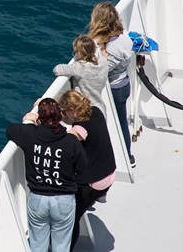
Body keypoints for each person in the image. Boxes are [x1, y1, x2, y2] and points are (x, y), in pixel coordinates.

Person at [6, 98, 88, 252]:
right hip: (64, 200)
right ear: (60, 116)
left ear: (40, 118)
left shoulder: (29, 135)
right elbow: (82, 169)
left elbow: (10, 130)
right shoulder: (71, 141)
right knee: (61, 247)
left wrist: (30, 120)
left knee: (37, 246)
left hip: (38, 200)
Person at [57, 90, 116, 252]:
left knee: (71, 219)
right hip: (109, 172)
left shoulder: (80, 129)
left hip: (95, 181)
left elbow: (65, 141)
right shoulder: (96, 111)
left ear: (72, 111)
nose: (62, 116)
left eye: (63, 112)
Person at [88, 1, 135, 168]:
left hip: (114, 90)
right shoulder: (124, 38)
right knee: (122, 123)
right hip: (124, 84)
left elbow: (103, 70)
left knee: (112, 124)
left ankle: (120, 159)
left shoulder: (111, 48)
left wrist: (101, 52)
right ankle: (128, 156)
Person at [53, 35, 109, 116]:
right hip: (100, 109)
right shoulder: (104, 63)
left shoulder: (80, 67)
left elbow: (56, 69)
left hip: (86, 111)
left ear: (79, 52)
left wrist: (76, 61)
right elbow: (103, 58)